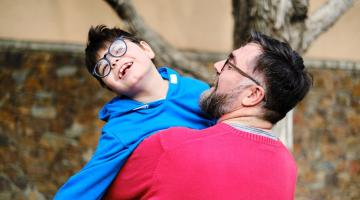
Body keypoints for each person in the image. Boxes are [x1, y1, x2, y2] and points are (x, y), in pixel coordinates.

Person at [104, 31, 313, 200]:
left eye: (230, 65)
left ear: (252, 95)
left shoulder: (168, 146)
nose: (217, 65)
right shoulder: (286, 166)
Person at [54, 25, 215, 199]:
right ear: (110, 87)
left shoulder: (196, 90)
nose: (113, 61)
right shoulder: (121, 128)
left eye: (118, 49)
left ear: (146, 49)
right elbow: (84, 185)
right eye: (104, 68)